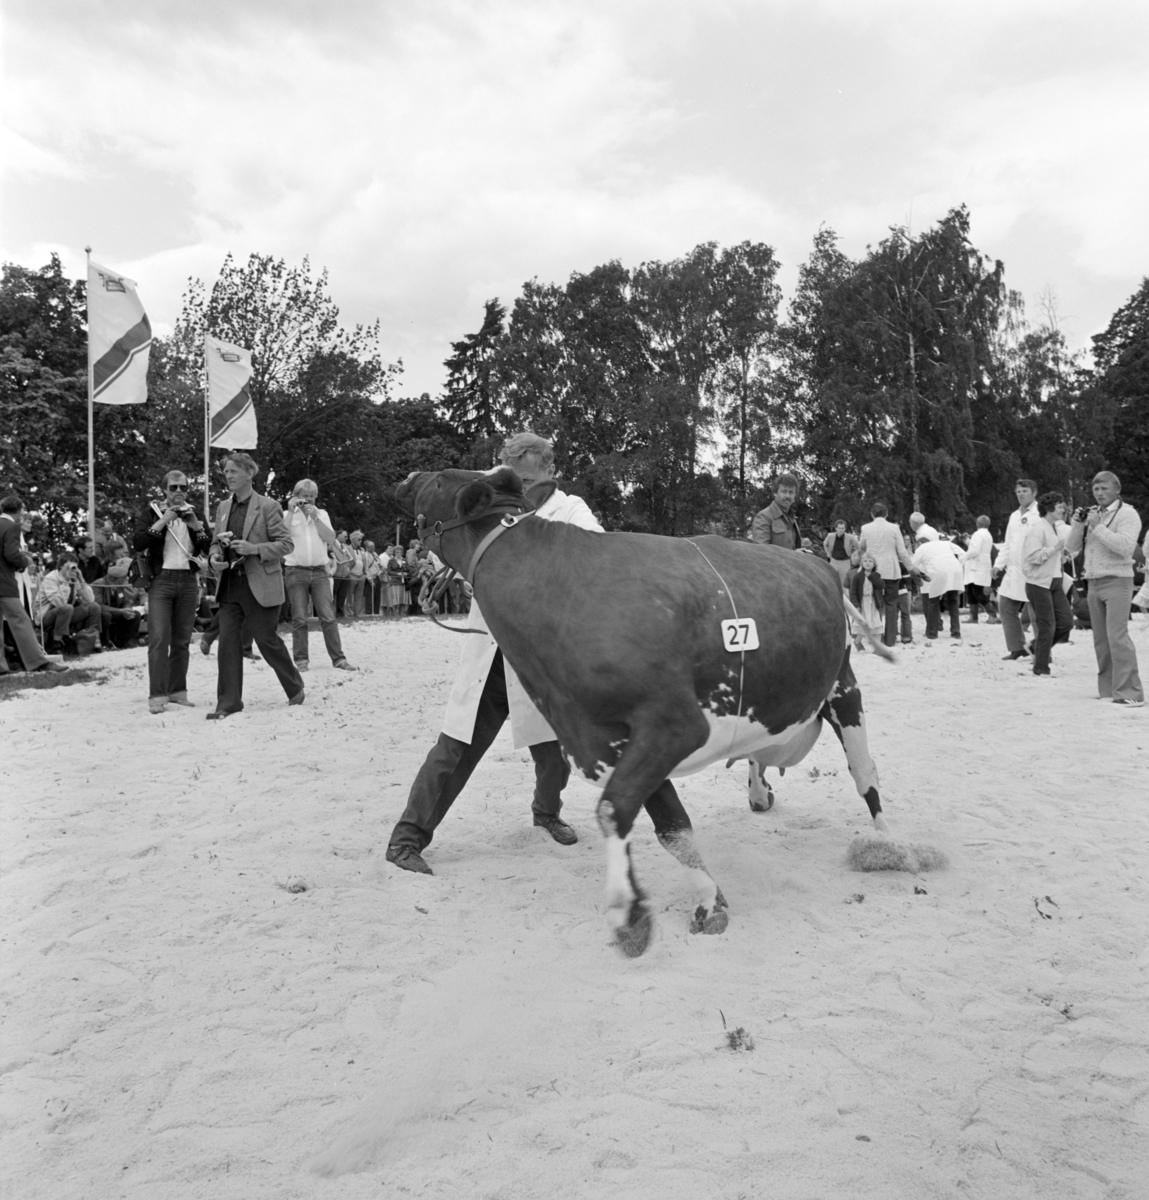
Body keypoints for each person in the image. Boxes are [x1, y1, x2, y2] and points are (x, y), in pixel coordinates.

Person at [386, 431, 604, 875]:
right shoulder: (487, 497)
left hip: (542, 652)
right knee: (455, 746)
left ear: (548, 470)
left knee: (553, 749)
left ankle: (546, 813)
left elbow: (598, 550)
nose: (519, 487)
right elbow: (443, 514)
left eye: (527, 476)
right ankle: (406, 840)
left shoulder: (570, 508)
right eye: (512, 475)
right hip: (491, 646)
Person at [207, 452, 305, 719]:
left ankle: (295, 686)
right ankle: (228, 704)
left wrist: (254, 548)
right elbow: (216, 542)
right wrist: (215, 556)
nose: (228, 476)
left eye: (233, 471)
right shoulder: (223, 508)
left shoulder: (269, 506)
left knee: (266, 640)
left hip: (260, 584)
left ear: (249, 474)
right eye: (226, 472)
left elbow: (286, 545)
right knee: (227, 644)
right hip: (229, 585)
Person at [133, 470, 212, 713]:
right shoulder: (151, 512)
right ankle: (157, 695)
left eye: (183, 488)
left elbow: (208, 546)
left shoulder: (193, 514)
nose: (179, 492)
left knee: (181, 640)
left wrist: (195, 525)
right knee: (158, 639)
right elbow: (138, 543)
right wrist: (163, 520)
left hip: (188, 580)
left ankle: (178, 691)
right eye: (174, 487)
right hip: (161, 581)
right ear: (164, 490)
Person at [1064, 471, 1144, 706]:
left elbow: (1125, 547)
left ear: (1117, 490)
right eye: (1096, 489)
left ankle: (1131, 693)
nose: (1099, 493)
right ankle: (1109, 689)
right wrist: (1078, 525)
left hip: (1118, 581)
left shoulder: (1128, 514)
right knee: (1101, 639)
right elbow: (1070, 548)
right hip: (1094, 582)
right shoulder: (1092, 515)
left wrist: (1098, 527)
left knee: (1117, 637)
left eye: (1104, 489)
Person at [283, 478, 355, 673]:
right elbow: (281, 536)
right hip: (295, 571)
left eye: (312, 496)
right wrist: (291, 511)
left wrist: (315, 518)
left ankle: (338, 659)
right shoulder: (287, 515)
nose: (308, 500)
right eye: (304, 496)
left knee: (328, 617)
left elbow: (331, 538)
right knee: (299, 619)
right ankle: (301, 660)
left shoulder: (322, 514)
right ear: (296, 496)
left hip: (320, 571)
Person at [0, 494, 68, 674]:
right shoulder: (12, 527)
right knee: (21, 621)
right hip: (4, 583)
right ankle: (38, 662)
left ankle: (1, 667)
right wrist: (26, 562)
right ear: (19, 510)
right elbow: (11, 554)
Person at [1022, 492, 1073, 677]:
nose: (1063, 509)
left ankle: (1035, 647)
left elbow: (1053, 554)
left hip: (1055, 582)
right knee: (1048, 626)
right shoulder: (1037, 529)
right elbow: (1033, 557)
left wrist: (1064, 555)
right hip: (1038, 584)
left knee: (1067, 623)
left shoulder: (1055, 528)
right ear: (1049, 508)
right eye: (1060, 506)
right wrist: (1055, 549)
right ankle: (1041, 668)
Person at [993, 480, 1041, 661]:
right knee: (1005, 606)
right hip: (1013, 570)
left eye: (1025, 491)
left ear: (1034, 492)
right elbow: (1008, 543)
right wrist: (998, 565)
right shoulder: (1014, 516)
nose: (1021, 494)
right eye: (1018, 491)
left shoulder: (1040, 514)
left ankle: (1044, 653)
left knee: (1037, 613)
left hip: (1033, 569)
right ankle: (1017, 647)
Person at [858, 502, 916, 647]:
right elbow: (902, 551)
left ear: (872, 514)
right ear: (887, 514)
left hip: (872, 570)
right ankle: (890, 639)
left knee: (871, 604)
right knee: (891, 604)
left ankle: (875, 637)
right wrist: (911, 567)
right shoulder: (894, 528)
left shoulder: (865, 528)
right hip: (891, 570)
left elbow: (861, 547)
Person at [36, 553, 102, 654]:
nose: (73, 570)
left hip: (67, 613)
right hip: (45, 615)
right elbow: (59, 603)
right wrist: (66, 582)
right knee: (67, 607)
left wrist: (81, 580)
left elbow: (90, 600)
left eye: (75, 567)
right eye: (70, 567)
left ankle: (92, 639)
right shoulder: (50, 578)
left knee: (94, 607)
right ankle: (57, 644)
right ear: (61, 565)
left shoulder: (74, 579)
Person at [912, 535, 965, 640]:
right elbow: (963, 554)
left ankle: (932, 633)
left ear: (918, 544)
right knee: (953, 601)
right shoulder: (944, 543)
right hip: (955, 569)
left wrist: (921, 575)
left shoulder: (921, 548)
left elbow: (912, 566)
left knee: (933, 602)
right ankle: (956, 632)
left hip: (938, 570)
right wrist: (959, 564)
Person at [91, 554, 143, 649]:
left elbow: (125, 600)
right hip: (103, 613)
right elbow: (99, 605)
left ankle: (128, 642)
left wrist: (127, 609)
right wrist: (120, 611)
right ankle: (105, 643)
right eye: (124, 578)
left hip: (115, 612)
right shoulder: (99, 584)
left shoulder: (119, 586)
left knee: (135, 614)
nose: (126, 580)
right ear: (117, 579)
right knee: (106, 615)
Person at [750, 474, 802, 549]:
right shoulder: (763, 517)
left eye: (791, 492)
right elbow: (761, 552)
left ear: (795, 495)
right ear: (775, 493)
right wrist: (794, 555)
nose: (787, 496)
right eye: (783, 491)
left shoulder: (792, 518)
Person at [963, 515, 998, 623]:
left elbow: (974, 551)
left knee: (977, 592)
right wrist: (967, 541)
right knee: (971, 591)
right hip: (982, 564)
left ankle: (992, 615)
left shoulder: (978, 534)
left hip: (976, 566)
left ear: (978, 523)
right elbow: (977, 547)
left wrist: (963, 557)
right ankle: (974, 617)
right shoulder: (987, 534)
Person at [847, 551, 884, 651]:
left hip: (873, 603)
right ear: (862, 563)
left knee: (876, 624)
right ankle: (857, 642)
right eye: (865, 561)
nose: (868, 563)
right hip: (863, 603)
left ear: (874, 564)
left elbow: (881, 585)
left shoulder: (876, 575)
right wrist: (856, 605)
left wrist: (871, 576)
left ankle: (878, 648)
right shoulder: (857, 576)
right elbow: (853, 592)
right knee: (863, 625)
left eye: (870, 561)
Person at [823, 520, 858, 589]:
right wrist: (828, 554)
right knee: (832, 581)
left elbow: (858, 546)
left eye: (842, 528)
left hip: (845, 562)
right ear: (836, 528)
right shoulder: (830, 536)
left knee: (844, 584)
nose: (841, 530)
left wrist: (853, 555)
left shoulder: (850, 537)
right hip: (833, 561)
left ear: (845, 529)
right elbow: (825, 544)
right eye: (839, 528)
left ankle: (844, 599)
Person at [331, 530, 353, 618]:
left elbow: (351, 560)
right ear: (338, 535)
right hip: (335, 575)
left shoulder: (345, 547)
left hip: (345, 575)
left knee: (342, 596)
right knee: (332, 596)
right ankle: (330, 615)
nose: (346, 538)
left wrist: (348, 570)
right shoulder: (331, 545)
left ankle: (340, 615)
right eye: (345, 536)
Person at [348, 530, 368, 618]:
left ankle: (358, 614)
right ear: (353, 540)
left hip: (361, 576)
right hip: (351, 574)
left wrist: (365, 574)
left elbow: (365, 562)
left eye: (361, 540)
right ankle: (349, 614)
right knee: (349, 596)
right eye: (359, 539)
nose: (361, 541)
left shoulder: (362, 550)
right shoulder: (348, 549)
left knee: (359, 597)